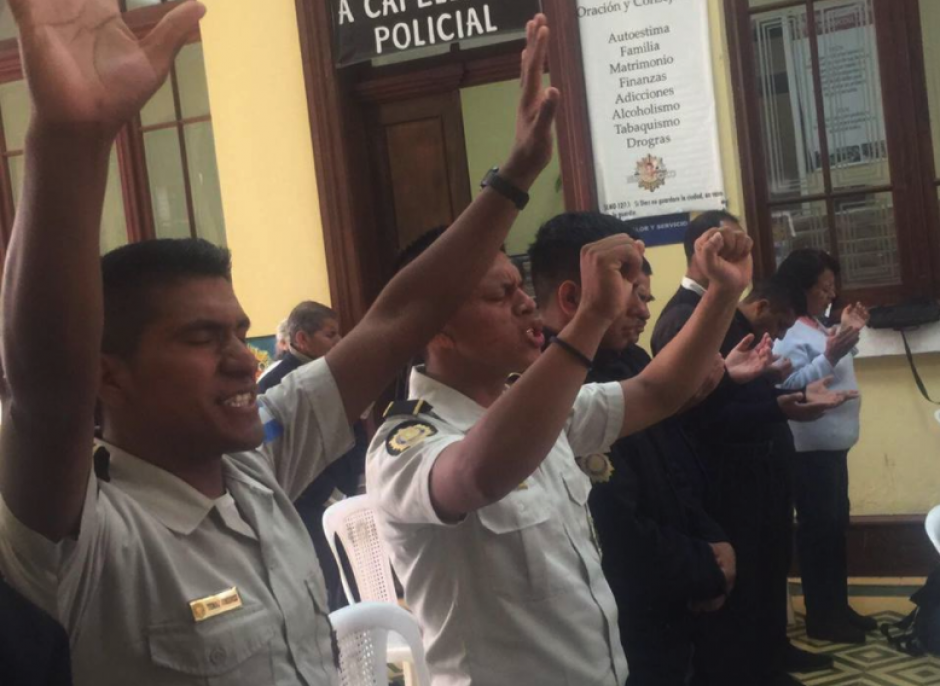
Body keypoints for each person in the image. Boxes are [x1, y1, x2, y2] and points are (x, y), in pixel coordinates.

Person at [0, 3, 562, 684]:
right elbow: (47, 393)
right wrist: (69, 139)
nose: (244, 356)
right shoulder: (90, 531)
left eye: (240, 330)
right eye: (203, 338)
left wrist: (514, 180)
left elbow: (395, 322)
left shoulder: (255, 471)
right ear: (109, 375)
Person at [367, 217, 755, 685]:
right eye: (500, 295)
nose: (527, 304)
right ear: (436, 328)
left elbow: (659, 391)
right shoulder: (406, 444)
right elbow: (477, 475)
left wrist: (722, 292)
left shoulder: (538, 408)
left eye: (521, 287)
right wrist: (591, 315)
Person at [529, 212, 793, 686]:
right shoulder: (545, 390)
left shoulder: (628, 359)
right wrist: (702, 569)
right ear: (575, 296)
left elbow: (677, 467)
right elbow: (613, 526)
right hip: (629, 617)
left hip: (675, 607)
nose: (646, 312)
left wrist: (712, 539)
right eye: (632, 292)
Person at [651, 213, 857, 686]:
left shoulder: (716, 311)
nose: (745, 256)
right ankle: (752, 669)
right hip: (727, 474)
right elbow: (696, 413)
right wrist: (783, 408)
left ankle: (771, 655)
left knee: (768, 571)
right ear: (705, 251)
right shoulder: (685, 316)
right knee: (743, 584)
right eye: (733, 246)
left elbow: (737, 390)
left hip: (758, 467)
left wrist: (782, 396)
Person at [774, 248, 873, 644]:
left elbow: (835, 358)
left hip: (833, 448)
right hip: (809, 451)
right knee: (819, 533)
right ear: (801, 288)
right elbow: (789, 386)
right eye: (822, 288)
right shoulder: (789, 333)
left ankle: (838, 606)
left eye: (833, 287)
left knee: (835, 530)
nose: (830, 295)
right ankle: (823, 618)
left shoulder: (816, 325)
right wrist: (835, 348)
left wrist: (845, 330)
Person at [258, 301, 365, 611]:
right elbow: (276, 450)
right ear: (302, 339)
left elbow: (355, 431)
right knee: (323, 584)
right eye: (330, 335)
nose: (339, 343)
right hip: (305, 505)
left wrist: (355, 480)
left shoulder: (334, 376)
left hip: (343, 497)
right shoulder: (275, 384)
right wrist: (322, 491)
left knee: (349, 584)